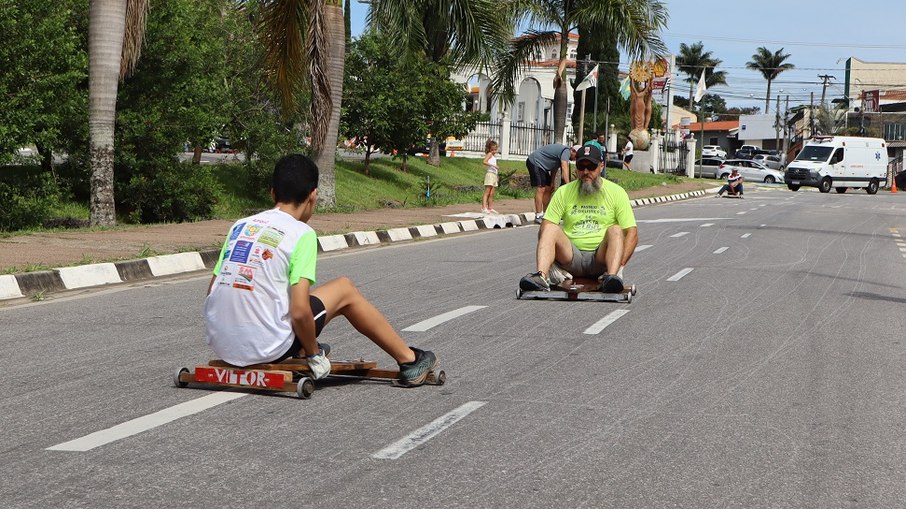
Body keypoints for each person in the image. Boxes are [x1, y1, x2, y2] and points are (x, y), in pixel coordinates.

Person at [203, 154, 438, 386]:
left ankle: (302, 347)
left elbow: (212, 290)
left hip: (222, 343)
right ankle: (409, 360)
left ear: (272, 192)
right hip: (266, 347)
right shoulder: (301, 233)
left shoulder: (241, 225)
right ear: (313, 195)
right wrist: (315, 354)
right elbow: (299, 311)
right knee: (344, 289)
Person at [519, 145, 638, 293]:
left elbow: (632, 233)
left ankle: (612, 277)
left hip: (600, 259)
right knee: (549, 227)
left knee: (616, 230)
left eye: (591, 167)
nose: (586, 172)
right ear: (576, 168)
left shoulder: (617, 192)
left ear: (601, 166)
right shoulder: (563, 192)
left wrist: (620, 265)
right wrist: (552, 263)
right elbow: (545, 229)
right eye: (581, 167)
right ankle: (541, 276)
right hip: (570, 257)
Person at [526, 143, 577, 224]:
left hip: (543, 167)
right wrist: (569, 186)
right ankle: (538, 215)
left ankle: (547, 214)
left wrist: (552, 182)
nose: (575, 159)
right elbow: (564, 168)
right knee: (541, 189)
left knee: (549, 189)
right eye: (576, 156)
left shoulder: (563, 153)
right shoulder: (566, 152)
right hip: (535, 162)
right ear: (573, 151)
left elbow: (555, 167)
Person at [482, 139, 500, 214]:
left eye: (495, 150)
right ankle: (483, 207)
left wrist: (497, 176)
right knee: (487, 192)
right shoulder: (489, 154)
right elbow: (484, 161)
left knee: (492, 193)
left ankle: (490, 207)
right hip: (490, 174)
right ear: (489, 149)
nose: (494, 151)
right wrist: (493, 165)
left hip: (494, 175)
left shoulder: (493, 156)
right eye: (492, 150)